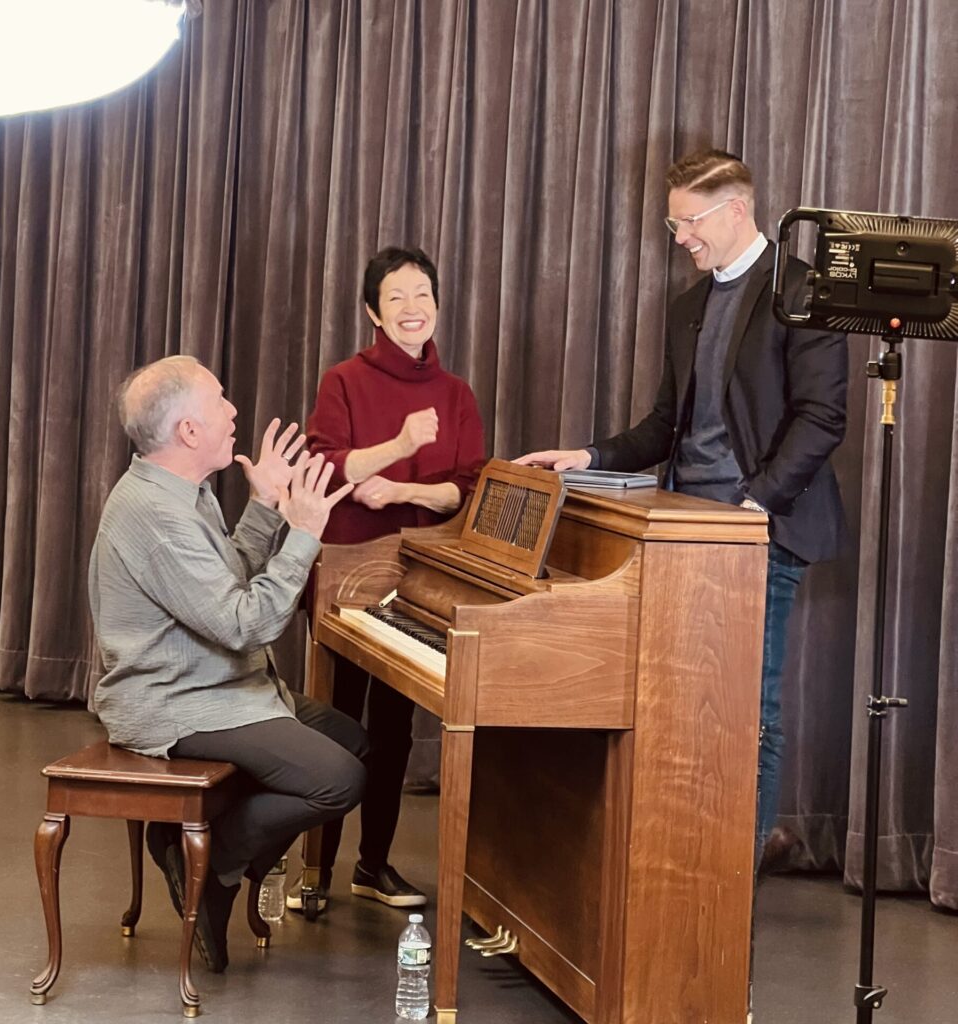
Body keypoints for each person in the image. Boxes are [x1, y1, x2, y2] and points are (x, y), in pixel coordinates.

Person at [517, 149, 848, 867]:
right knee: (677, 702)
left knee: (749, 710)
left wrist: (753, 504)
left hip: (760, 533)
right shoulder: (688, 307)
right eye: (673, 228)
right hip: (680, 535)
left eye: (688, 224)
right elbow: (665, 426)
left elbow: (822, 417)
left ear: (737, 210)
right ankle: (685, 859)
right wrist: (590, 457)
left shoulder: (803, 290)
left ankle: (736, 873)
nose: (681, 240)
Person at [88, 354, 368, 973]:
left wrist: (266, 506)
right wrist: (303, 534)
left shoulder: (185, 491)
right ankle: (215, 863)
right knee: (339, 778)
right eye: (220, 400)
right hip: (175, 700)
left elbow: (224, 587)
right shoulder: (157, 515)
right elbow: (248, 624)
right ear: (189, 431)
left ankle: (207, 851)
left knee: (350, 738)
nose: (234, 410)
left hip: (219, 683)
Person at [297, 245, 485, 911]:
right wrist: (399, 450)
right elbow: (325, 467)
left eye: (423, 294)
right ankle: (313, 869)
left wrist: (404, 489)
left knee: (397, 724)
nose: (413, 308)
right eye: (397, 296)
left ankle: (371, 866)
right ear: (373, 311)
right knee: (338, 720)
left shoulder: (456, 394)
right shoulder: (343, 380)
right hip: (348, 573)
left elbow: (468, 490)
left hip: (421, 577)